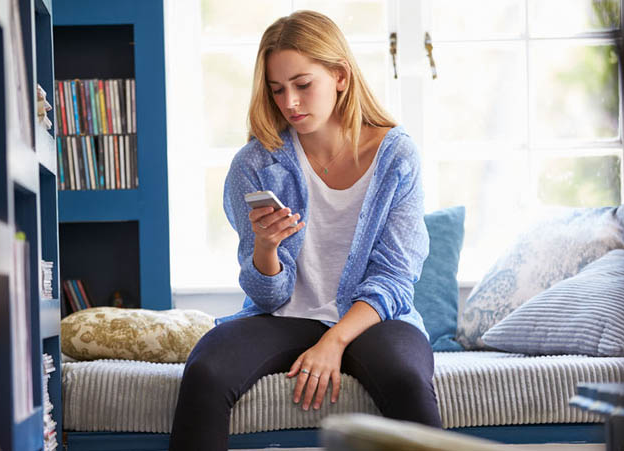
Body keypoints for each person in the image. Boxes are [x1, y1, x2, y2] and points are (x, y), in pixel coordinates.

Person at [169, 10, 441, 451]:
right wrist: (266, 248)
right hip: (285, 318)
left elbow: (395, 278)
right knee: (206, 369)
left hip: (373, 319)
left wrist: (333, 340)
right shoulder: (255, 165)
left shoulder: (397, 158)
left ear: (340, 76)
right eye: (277, 90)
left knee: (407, 377)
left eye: (302, 84)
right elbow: (268, 296)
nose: (289, 102)